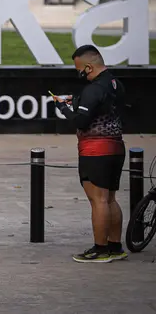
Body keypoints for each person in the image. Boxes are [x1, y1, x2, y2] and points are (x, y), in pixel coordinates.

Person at [52, 45, 128, 263]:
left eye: (79, 69)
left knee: (98, 200)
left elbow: (81, 121)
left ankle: (100, 249)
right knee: (110, 199)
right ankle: (115, 247)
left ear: (88, 66)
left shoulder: (93, 89)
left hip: (95, 150)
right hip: (116, 147)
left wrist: (63, 108)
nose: (79, 74)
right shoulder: (115, 83)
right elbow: (103, 108)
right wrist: (76, 102)